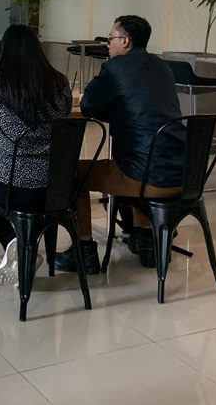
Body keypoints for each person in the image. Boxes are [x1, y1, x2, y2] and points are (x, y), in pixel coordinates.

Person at [55, 15, 182, 273]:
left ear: (125, 41)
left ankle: (84, 250)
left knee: (71, 172)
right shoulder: (162, 66)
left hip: (143, 175)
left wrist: (115, 111)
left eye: (110, 38)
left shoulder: (116, 67)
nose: (107, 44)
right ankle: (146, 240)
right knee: (135, 157)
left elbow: (88, 105)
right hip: (181, 173)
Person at [0, 24, 72, 285]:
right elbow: (64, 115)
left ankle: (15, 241)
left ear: (5, 51)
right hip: (55, 190)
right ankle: (25, 247)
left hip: (11, 188)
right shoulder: (60, 82)